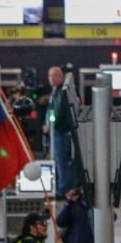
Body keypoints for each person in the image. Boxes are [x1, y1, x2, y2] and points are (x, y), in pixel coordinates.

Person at [46, 65, 77, 197]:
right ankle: (64, 187)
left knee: (62, 161)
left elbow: (57, 112)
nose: (52, 78)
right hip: (57, 132)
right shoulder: (55, 93)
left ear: (62, 77)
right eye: (50, 76)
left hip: (61, 133)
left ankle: (63, 189)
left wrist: (51, 124)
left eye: (55, 75)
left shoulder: (61, 93)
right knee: (60, 161)